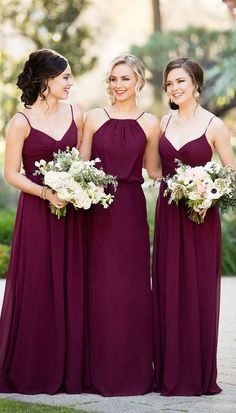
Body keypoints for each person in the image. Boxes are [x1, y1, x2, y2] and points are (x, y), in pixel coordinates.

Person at [0, 49, 85, 394]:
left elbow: (84, 162)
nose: (70, 83)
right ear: (46, 80)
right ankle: (32, 366)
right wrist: (45, 193)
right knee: (37, 285)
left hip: (72, 213)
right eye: (65, 77)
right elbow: (10, 174)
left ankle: (69, 368)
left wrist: (77, 188)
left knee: (70, 285)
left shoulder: (77, 114)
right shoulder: (20, 121)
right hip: (37, 211)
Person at [151, 57, 236, 396]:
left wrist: (204, 188)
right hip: (170, 212)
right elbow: (155, 170)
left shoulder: (215, 125)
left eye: (181, 82)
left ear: (196, 85)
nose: (174, 88)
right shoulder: (163, 122)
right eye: (170, 83)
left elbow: (230, 173)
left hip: (201, 215)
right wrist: (180, 182)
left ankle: (198, 373)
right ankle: (169, 372)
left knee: (197, 290)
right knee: (169, 288)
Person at [80, 54, 161, 396]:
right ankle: (96, 371)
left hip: (129, 209)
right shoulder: (93, 118)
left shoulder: (151, 123)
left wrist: (196, 182)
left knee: (131, 289)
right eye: (113, 79)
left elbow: (154, 170)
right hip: (95, 209)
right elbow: (79, 164)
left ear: (139, 82)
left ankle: (133, 372)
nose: (118, 85)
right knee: (98, 287)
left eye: (125, 78)